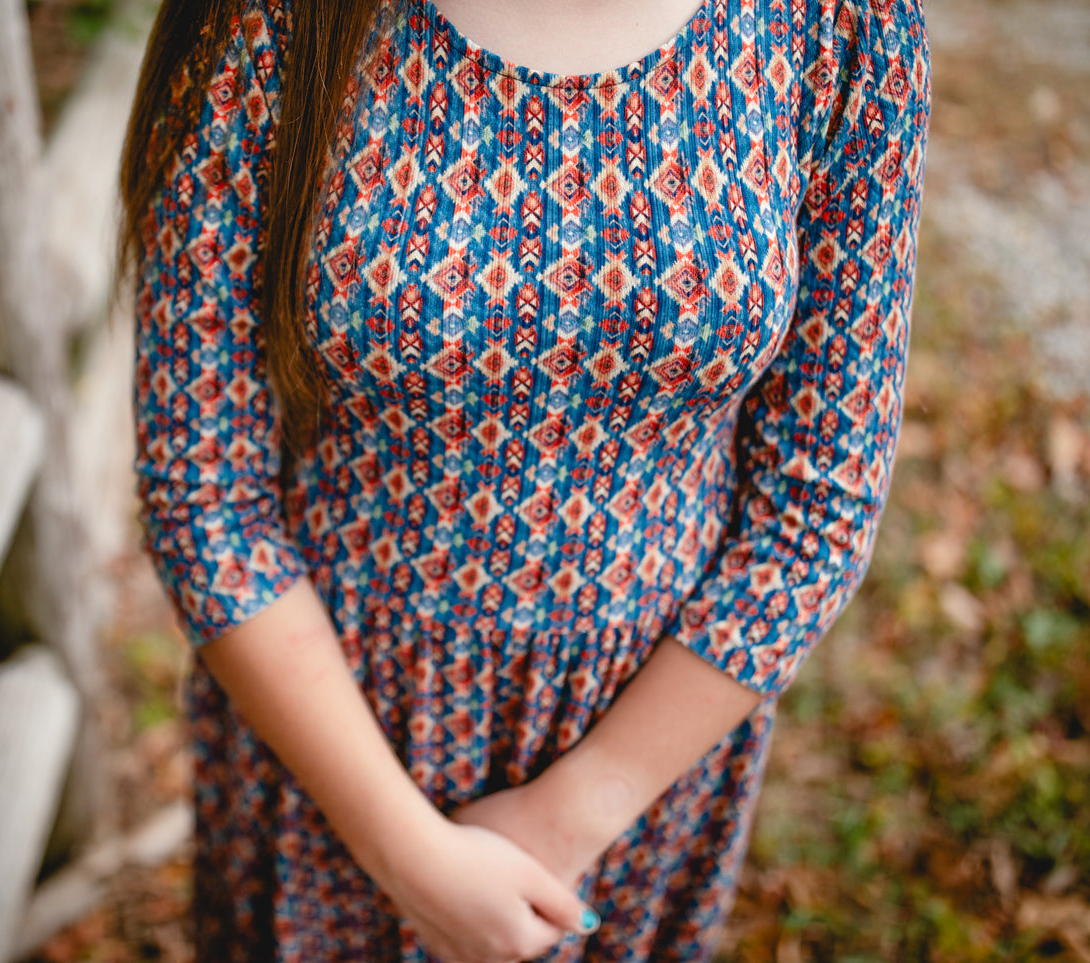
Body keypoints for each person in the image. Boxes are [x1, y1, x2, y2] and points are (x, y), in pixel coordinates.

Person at [118, 0, 931, 958]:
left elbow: (818, 505)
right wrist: (406, 853)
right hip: (326, 748)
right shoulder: (271, 21)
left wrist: (577, 813)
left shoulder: (842, 22)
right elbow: (204, 491)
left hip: (648, 758)